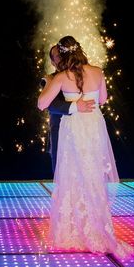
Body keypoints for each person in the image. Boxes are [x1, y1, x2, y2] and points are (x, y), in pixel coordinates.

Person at [38, 36, 134, 259]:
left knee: (72, 176)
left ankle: (73, 230)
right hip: (93, 128)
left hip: (74, 130)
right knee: (93, 176)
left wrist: (72, 103)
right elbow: (103, 99)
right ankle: (97, 228)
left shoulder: (61, 77)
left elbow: (42, 103)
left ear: (62, 55)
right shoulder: (98, 71)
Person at [42, 45, 95, 173]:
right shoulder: (51, 79)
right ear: (52, 62)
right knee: (62, 172)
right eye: (58, 56)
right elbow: (50, 105)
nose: (62, 58)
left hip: (84, 129)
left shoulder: (84, 73)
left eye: (62, 54)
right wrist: (75, 106)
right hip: (60, 129)